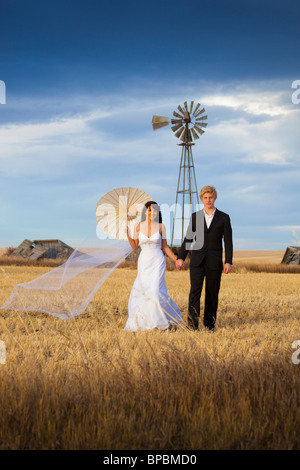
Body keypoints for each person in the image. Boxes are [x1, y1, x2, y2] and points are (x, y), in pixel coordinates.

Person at [176, 185, 233, 331]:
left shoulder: (224, 218)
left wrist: (228, 261)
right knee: (194, 292)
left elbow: (228, 241)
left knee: (212, 293)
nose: (208, 200)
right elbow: (188, 239)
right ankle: (192, 324)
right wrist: (181, 257)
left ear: (215, 198)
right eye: (206, 198)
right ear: (202, 199)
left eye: (211, 197)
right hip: (197, 261)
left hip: (214, 262)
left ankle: (209, 324)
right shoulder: (196, 217)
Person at [124, 201, 182, 331]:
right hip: (144, 261)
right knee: (144, 291)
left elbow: (165, 247)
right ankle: (147, 323)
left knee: (155, 290)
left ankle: (161, 322)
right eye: (150, 210)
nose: (153, 213)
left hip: (157, 261)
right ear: (146, 212)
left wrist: (176, 259)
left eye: (155, 211)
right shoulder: (138, 226)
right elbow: (134, 246)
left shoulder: (161, 227)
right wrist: (128, 234)